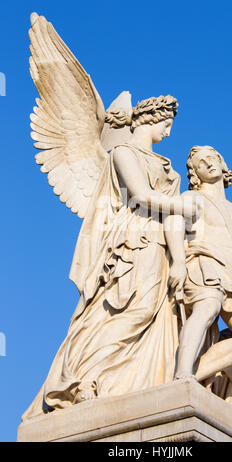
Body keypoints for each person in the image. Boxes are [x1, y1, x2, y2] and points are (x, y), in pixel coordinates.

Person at [22, 96, 199, 419]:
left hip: (161, 243)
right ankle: (83, 378)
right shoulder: (123, 154)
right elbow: (142, 196)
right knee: (130, 310)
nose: (169, 133)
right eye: (166, 124)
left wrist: (179, 260)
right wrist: (185, 206)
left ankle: (127, 383)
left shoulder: (167, 168)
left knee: (154, 314)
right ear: (150, 119)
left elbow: (173, 219)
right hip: (134, 239)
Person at [164, 145, 232, 382]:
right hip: (205, 265)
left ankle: (195, 375)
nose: (208, 164)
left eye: (212, 158)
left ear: (222, 163)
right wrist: (178, 261)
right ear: (195, 174)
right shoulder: (192, 198)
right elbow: (173, 220)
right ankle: (182, 374)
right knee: (207, 308)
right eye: (201, 163)